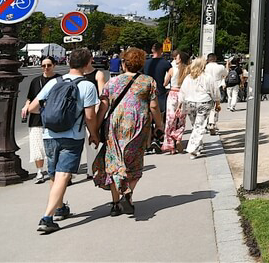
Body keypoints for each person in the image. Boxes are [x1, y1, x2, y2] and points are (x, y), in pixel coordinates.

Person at [27, 48, 100, 233]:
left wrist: (50, 113)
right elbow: (90, 117)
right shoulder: (87, 86)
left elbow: (33, 108)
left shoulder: (54, 82)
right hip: (72, 136)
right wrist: (94, 134)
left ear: (68, 63)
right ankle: (47, 217)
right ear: (87, 64)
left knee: (54, 174)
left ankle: (59, 208)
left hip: (49, 135)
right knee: (63, 175)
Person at [91, 47, 163, 217]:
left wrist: (94, 131)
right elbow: (153, 106)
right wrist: (159, 125)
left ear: (124, 63)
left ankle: (116, 204)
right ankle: (128, 192)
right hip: (138, 126)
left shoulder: (112, 82)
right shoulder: (148, 81)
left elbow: (103, 108)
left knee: (114, 163)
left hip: (114, 126)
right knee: (134, 162)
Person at [21, 56, 59, 184]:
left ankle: (54, 171)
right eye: (43, 66)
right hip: (36, 118)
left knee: (54, 147)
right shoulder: (36, 81)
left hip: (54, 118)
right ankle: (39, 172)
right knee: (37, 146)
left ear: (54, 65)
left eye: (49, 65)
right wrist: (26, 106)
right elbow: (30, 98)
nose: (46, 68)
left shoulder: (59, 80)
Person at [178, 58, 221, 158]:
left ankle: (198, 145)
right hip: (203, 102)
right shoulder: (207, 77)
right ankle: (193, 148)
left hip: (190, 103)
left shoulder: (188, 77)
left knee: (195, 125)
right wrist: (217, 102)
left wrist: (180, 104)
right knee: (199, 126)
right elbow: (214, 90)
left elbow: (183, 91)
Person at [81, 57, 108, 177]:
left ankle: (92, 170)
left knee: (91, 142)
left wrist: (97, 112)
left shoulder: (98, 74)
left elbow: (102, 95)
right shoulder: (78, 74)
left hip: (92, 111)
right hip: (78, 113)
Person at [161, 51, 190, 154]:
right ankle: (178, 138)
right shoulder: (188, 70)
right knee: (181, 119)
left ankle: (170, 144)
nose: (175, 59)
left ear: (180, 59)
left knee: (170, 119)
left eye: (176, 57)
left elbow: (164, 83)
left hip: (173, 93)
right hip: (183, 95)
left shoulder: (172, 70)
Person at [203, 53, 227, 135]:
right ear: (215, 58)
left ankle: (205, 124)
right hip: (216, 87)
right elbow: (225, 74)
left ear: (208, 59)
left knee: (205, 106)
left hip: (205, 88)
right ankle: (212, 123)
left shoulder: (204, 67)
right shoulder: (220, 67)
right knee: (215, 106)